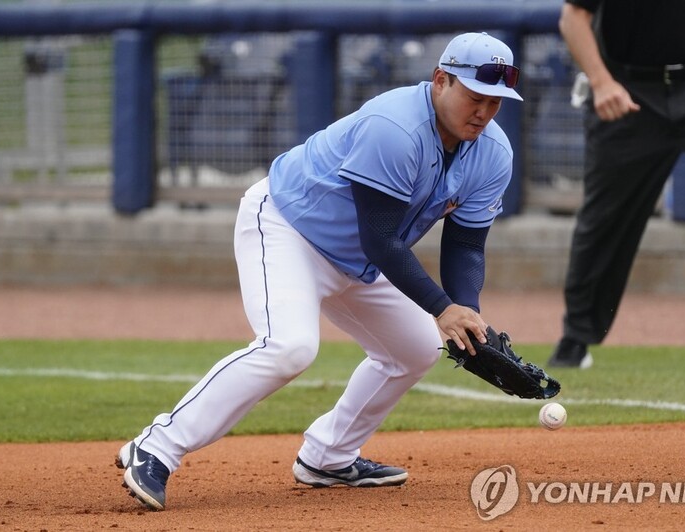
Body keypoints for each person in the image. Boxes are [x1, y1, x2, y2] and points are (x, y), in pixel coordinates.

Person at [115, 31, 523, 511]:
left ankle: (329, 457)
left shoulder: (493, 153)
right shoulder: (395, 127)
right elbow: (380, 238)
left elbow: (466, 245)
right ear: (440, 81)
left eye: (495, 102)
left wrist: (466, 315)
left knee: (415, 349)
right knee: (290, 347)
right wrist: (441, 307)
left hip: (360, 258)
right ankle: (156, 447)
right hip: (288, 229)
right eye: (475, 96)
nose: (484, 111)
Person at [548, 0, 685, 369]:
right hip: (627, 89)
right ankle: (576, 339)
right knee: (604, 221)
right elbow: (573, 18)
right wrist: (601, 82)